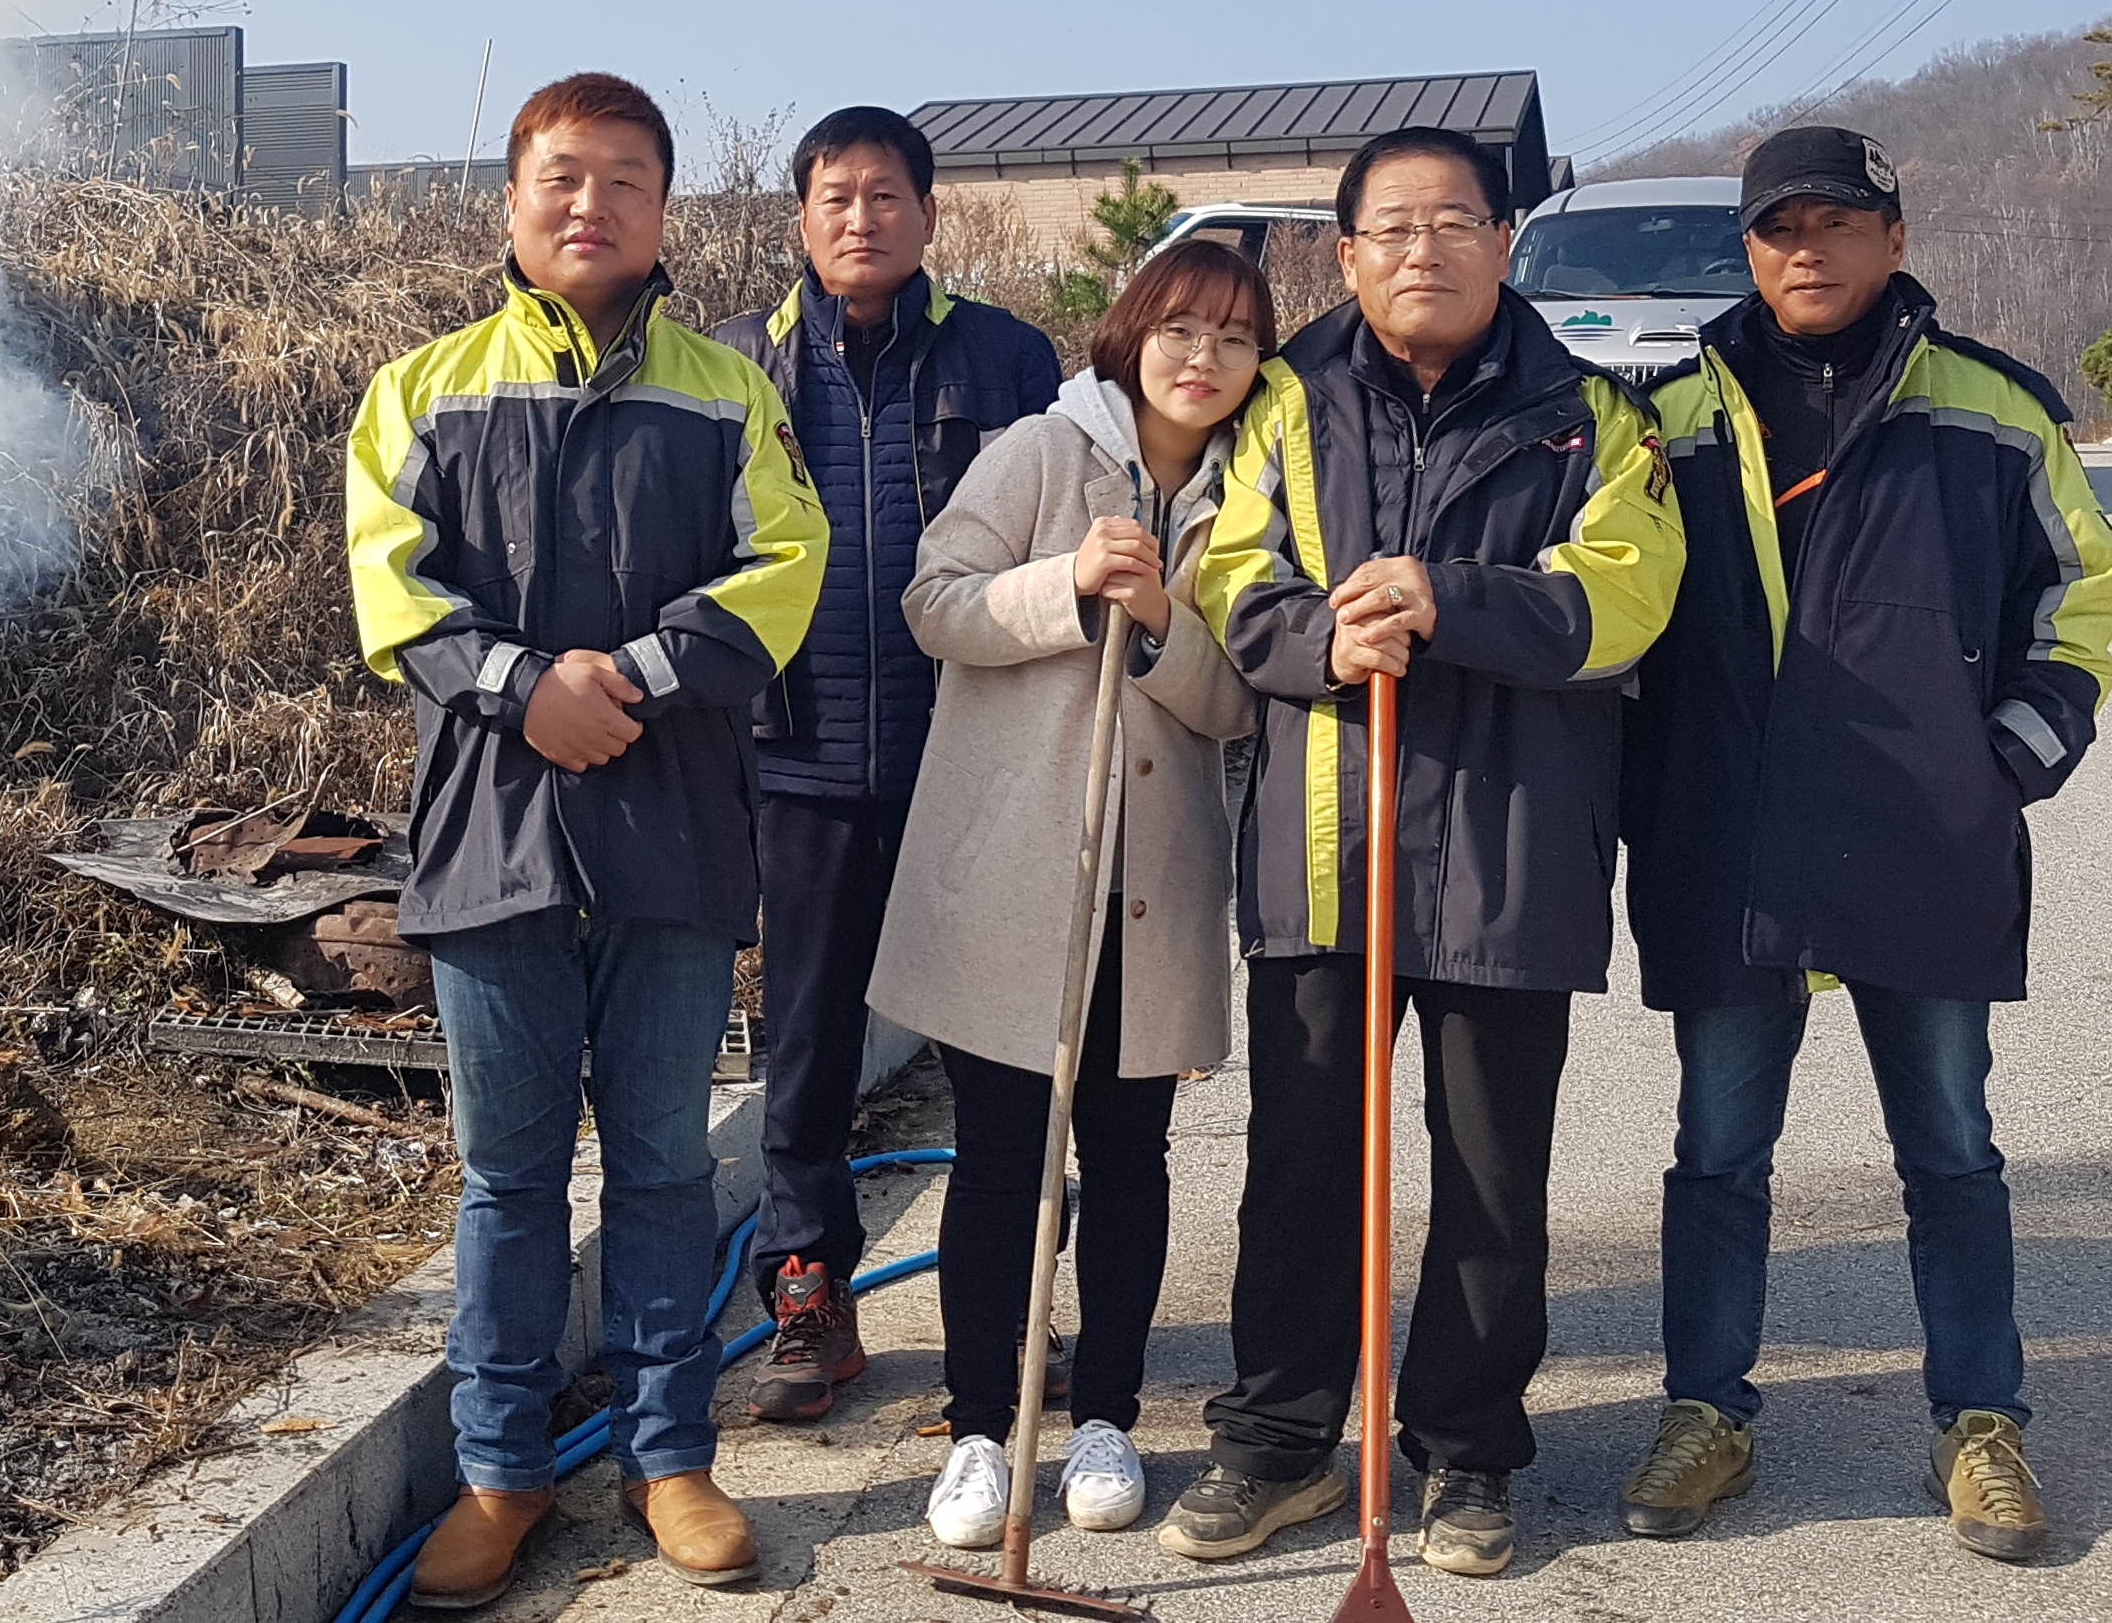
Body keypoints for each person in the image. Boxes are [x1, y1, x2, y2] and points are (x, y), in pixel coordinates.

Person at [1169, 127, 1686, 1578]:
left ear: (1503, 243)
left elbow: (1630, 591)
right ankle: (1279, 1440)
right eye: (1391, 228)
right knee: (1302, 1162)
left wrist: (1453, 600)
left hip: (1514, 842)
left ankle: (1467, 1450)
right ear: (1344, 257)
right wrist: (1320, 637)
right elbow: (1230, 568)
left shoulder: (1593, 413)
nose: (1423, 250)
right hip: (1325, 842)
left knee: (1492, 1173)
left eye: (1454, 221)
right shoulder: (1282, 401)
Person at [1613, 125, 2112, 1565]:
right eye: (1781, 227)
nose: (1809, 250)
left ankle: (1982, 1424)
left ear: (1894, 241)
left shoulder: (1994, 410)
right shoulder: (1668, 418)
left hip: (1922, 841)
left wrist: (2001, 764)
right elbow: (1614, 617)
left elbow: (2080, 595)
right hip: (1730, 839)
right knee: (1718, 1150)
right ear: (1747, 250)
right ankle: (1706, 1413)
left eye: (1839, 223)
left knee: (1950, 1146)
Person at [341, 72, 827, 1608]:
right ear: (512, 200)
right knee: (508, 1179)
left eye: (625, 178)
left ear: (665, 210)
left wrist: (633, 679)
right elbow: (393, 588)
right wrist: (520, 688)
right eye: (562, 175)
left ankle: (669, 1460)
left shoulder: (728, 392)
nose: (591, 203)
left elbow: (786, 565)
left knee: (668, 1168)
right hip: (492, 830)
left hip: (670, 830)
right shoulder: (420, 391)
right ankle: (504, 1474)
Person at [868, 238, 1273, 1548]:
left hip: (1154, 884)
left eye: (1235, 338)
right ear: (1132, 334)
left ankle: (1106, 1416)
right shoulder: (1042, 453)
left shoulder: (1252, 492)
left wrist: (1158, 624)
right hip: (1016, 874)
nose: (1204, 358)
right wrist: (1068, 585)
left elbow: (1238, 702)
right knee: (1003, 1159)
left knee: (1130, 1157)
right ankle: (983, 1428)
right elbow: (935, 603)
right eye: (1182, 329)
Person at [713, 107, 1060, 1421]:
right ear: (801, 218)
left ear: (928, 213)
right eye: (835, 197)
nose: (860, 219)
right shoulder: (737, 364)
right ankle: (808, 1294)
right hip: (796, 766)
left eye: (885, 196)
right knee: (805, 1050)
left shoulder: (1006, 358)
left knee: (997, 1057)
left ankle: (1011, 1304)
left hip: (968, 763)